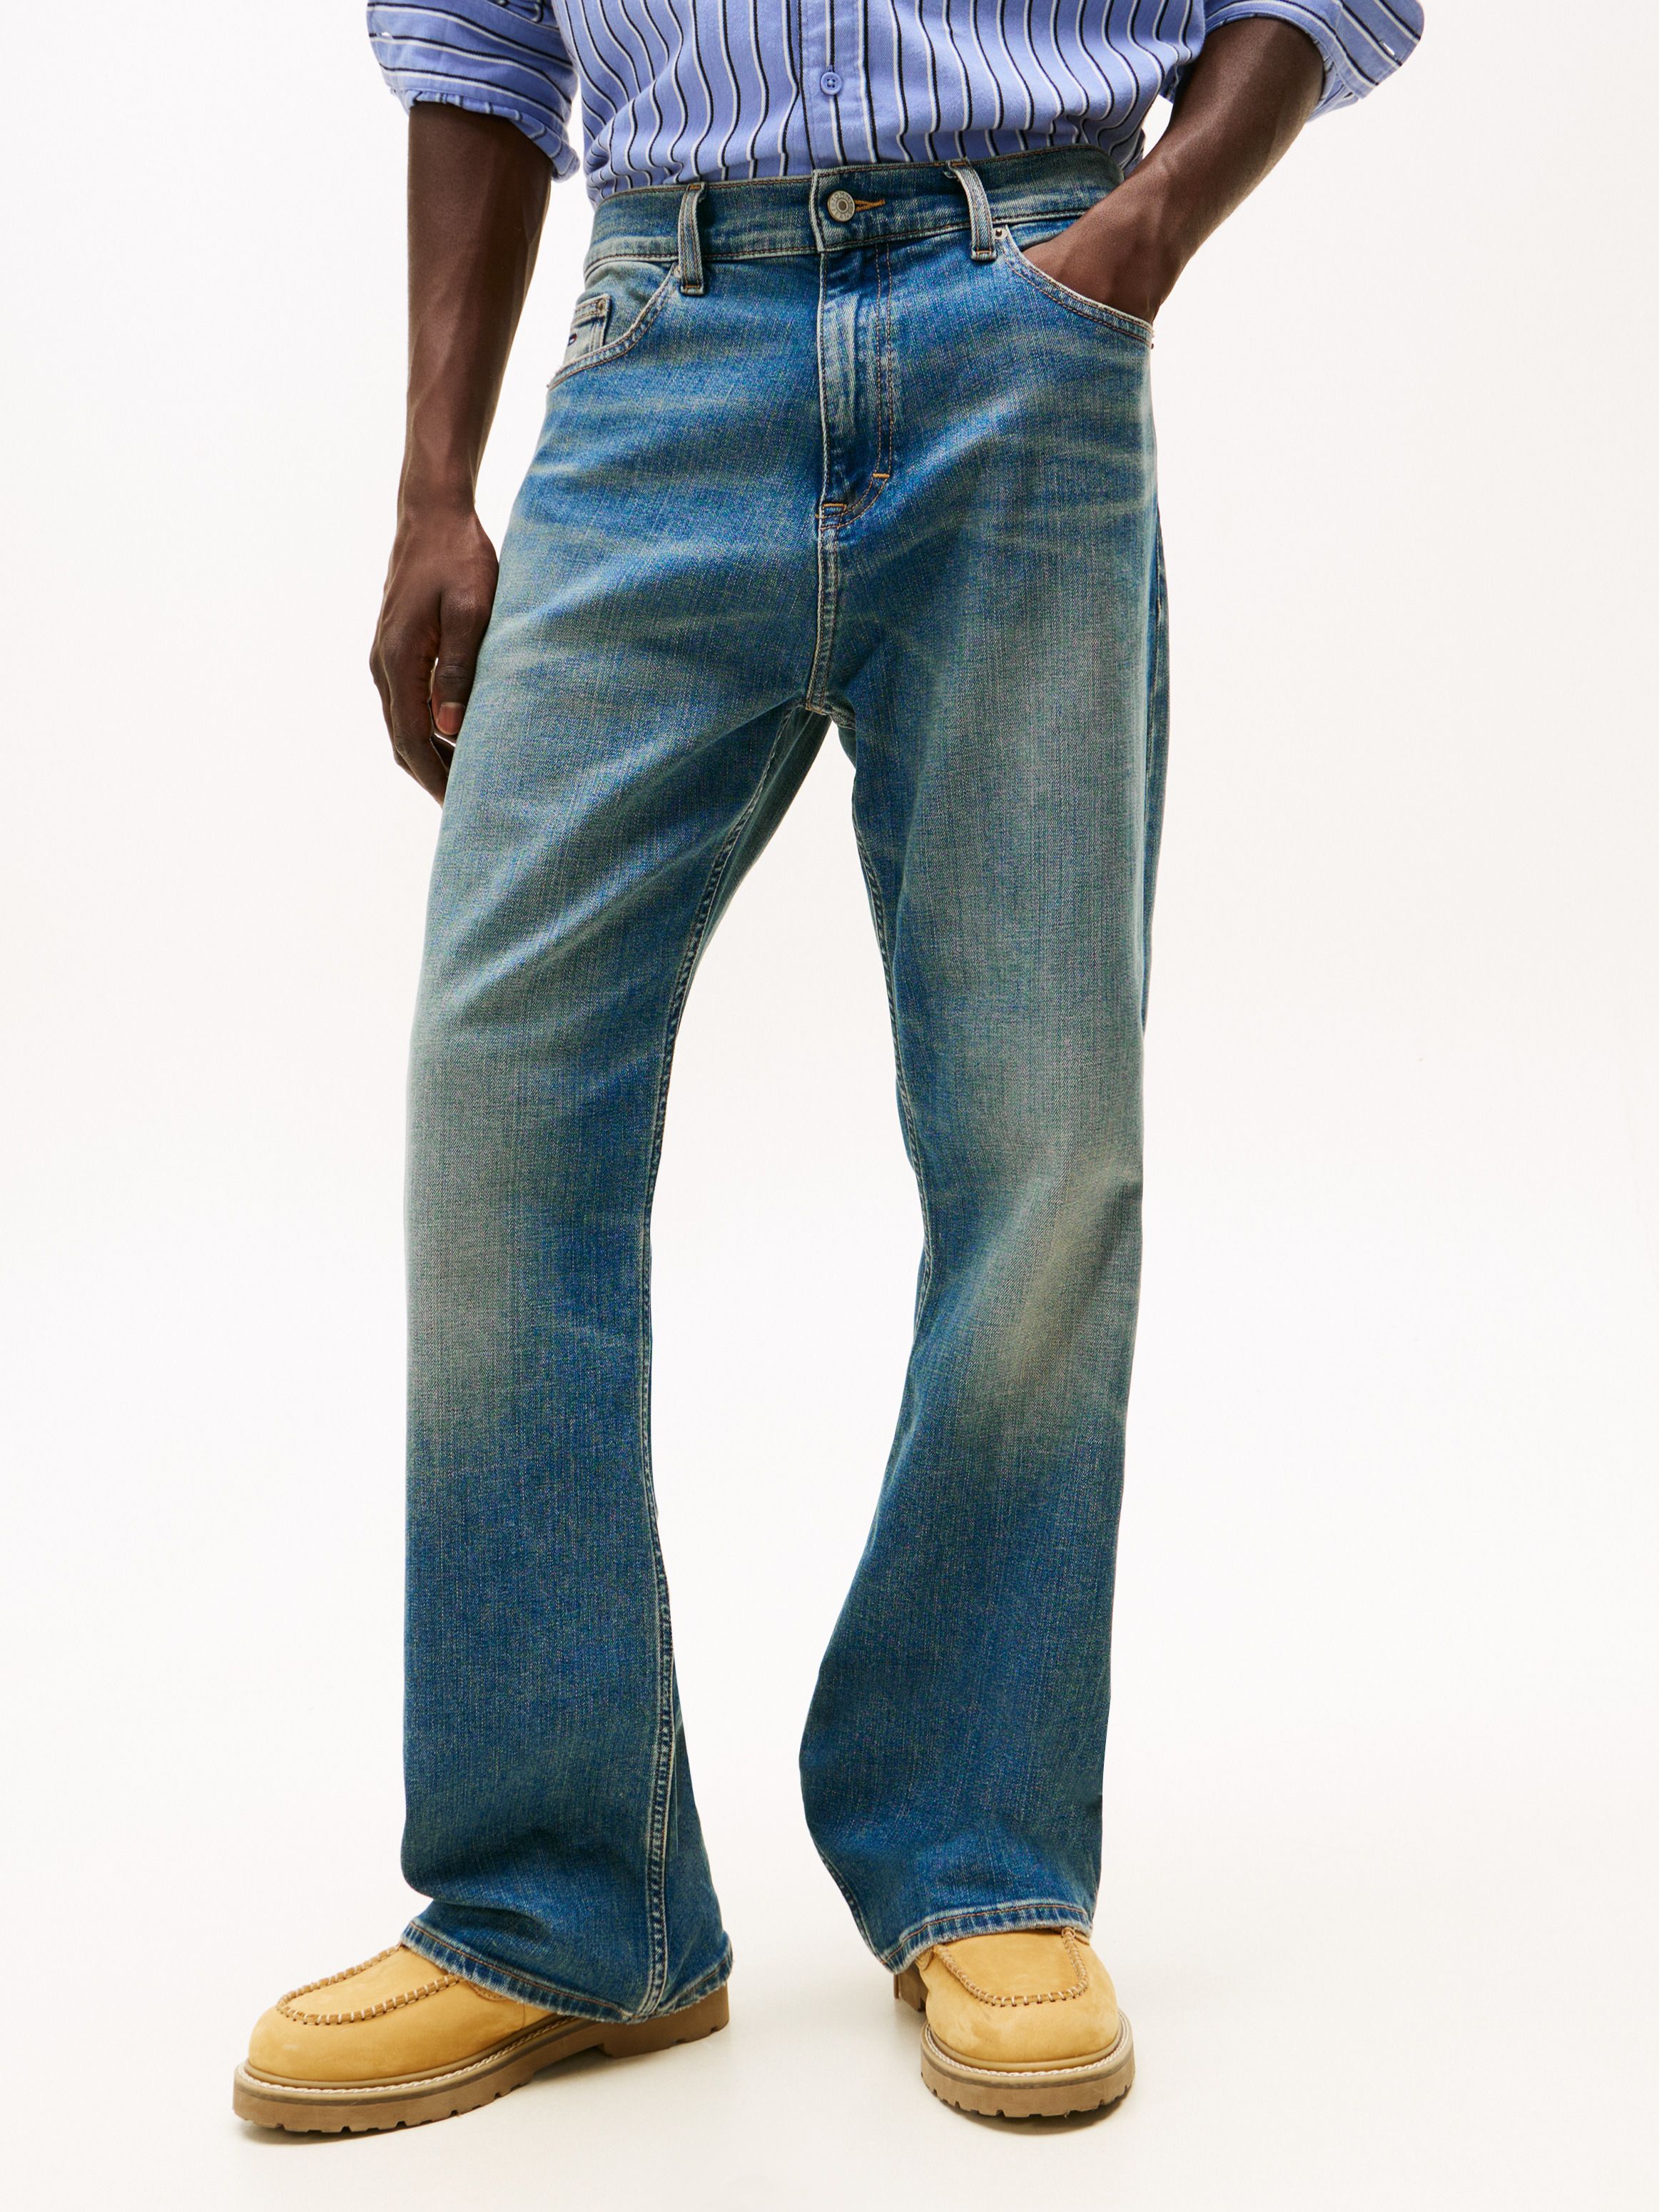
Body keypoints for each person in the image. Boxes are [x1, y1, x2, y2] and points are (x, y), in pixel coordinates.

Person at [233, 0, 1421, 2132]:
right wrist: (430, 478)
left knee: (1041, 1137)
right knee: (501, 1110)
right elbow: (482, 37)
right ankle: (555, 1902)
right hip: (655, 344)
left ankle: (978, 1853)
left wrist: (1138, 240)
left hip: (1021, 314)